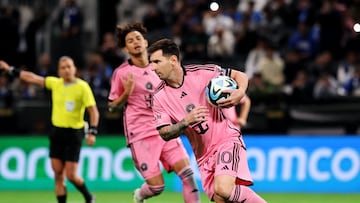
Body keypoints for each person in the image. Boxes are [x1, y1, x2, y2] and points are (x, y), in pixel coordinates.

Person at [148, 38, 267, 203]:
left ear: (173, 60)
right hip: (203, 157)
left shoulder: (202, 73)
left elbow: (240, 75)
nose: (152, 67)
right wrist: (184, 122)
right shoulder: (159, 97)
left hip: (226, 140)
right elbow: (164, 133)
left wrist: (240, 92)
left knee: (223, 189)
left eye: (156, 62)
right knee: (221, 198)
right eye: (151, 63)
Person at [107, 22, 200, 203]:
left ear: (146, 42)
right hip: (141, 134)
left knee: (188, 175)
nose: (135, 42)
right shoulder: (122, 73)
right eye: (130, 40)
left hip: (165, 128)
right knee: (157, 187)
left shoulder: (158, 67)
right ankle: (139, 195)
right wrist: (126, 93)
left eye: (138, 38)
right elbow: (112, 107)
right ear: (125, 48)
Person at [0, 57, 99, 203]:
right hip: (57, 132)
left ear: (74, 69)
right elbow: (32, 78)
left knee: (71, 176)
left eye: (69, 67)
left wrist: (92, 131)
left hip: (74, 133)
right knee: (58, 174)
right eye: (63, 67)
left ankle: (88, 196)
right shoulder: (55, 83)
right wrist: (10, 70)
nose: (66, 70)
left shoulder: (82, 87)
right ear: (59, 71)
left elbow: (93, 111)